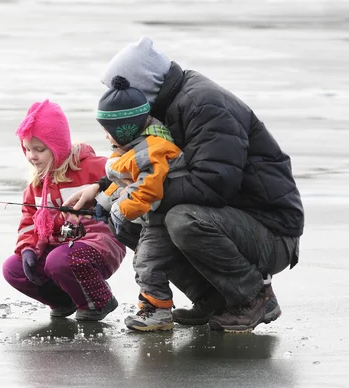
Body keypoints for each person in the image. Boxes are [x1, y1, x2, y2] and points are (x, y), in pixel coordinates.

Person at [64, 36, 304, 332]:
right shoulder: (164, 107)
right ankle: (212, 298)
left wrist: (132, 198)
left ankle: (254, 295)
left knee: (180, 219)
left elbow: (215, 184)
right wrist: (101, 189)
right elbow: (146, 163)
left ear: (144, 85)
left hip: (271, 230)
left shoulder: (204, 105)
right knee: (125, 220)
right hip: (230, 219)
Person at [2, 99, 126, 321]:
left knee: (59, 260)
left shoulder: (93, 166)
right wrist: (28, 248)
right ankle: (64, 299)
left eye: (39, 149)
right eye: (28, 149)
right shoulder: (35, 185)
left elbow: (124, 178)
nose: (32, 155)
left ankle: (98, 300)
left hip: (99, 244)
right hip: (59, 248)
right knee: (13, 268)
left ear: (57, 146)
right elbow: (28, 223)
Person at [94, 75, 185, 331]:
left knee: (148, 262)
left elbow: (147, 188)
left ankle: (158, 311)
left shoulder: (152, 150)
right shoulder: (136, 145)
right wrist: (103, 201)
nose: (106, 138)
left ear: (126, 128)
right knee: (146, 261)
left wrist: (121, 211)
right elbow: (124, 181)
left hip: (162, 219)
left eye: (109, 132)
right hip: (154, 218)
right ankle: (153, 306)